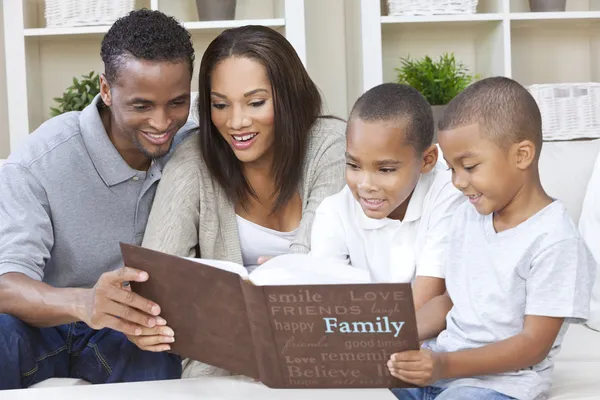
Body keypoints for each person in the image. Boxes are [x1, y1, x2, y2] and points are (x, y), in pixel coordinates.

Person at [0, 9, 196, 389]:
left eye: (176, 102)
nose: (162, 122)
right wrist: (86, 303)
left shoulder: (193, 144)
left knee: (158, 359)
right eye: (141, 106)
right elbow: (6, 283)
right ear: (106, 90)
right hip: (45, 324)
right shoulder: (40, 160)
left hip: (128, 331)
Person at [136, 25, 346, 376]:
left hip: (319, 344)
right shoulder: (194, 159)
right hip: (221, 356)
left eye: (256, 102)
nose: (236, 122)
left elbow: (313, 269)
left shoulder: (330, 145)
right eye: (220, 105)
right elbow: (159, 276)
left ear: (289, 96)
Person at [389, 77, 597, 400]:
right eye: (451, 169)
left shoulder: (556, 241)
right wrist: (395, 336)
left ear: (522, 155)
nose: (458, 182)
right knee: (369, 377)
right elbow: (451, 300)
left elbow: (533, 345)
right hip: (441, 371)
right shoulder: (466, 216)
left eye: (469, 167)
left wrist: (443, 365)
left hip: (499, 386)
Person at [310, 83, 464, 310]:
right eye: (353, 165)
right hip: (364, 335)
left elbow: (427, 300)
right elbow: (327, 302)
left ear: (427, 160)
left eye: (385, 170)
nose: (365, 185)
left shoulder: (449, 195)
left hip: (426, 335)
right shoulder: (334, 212)